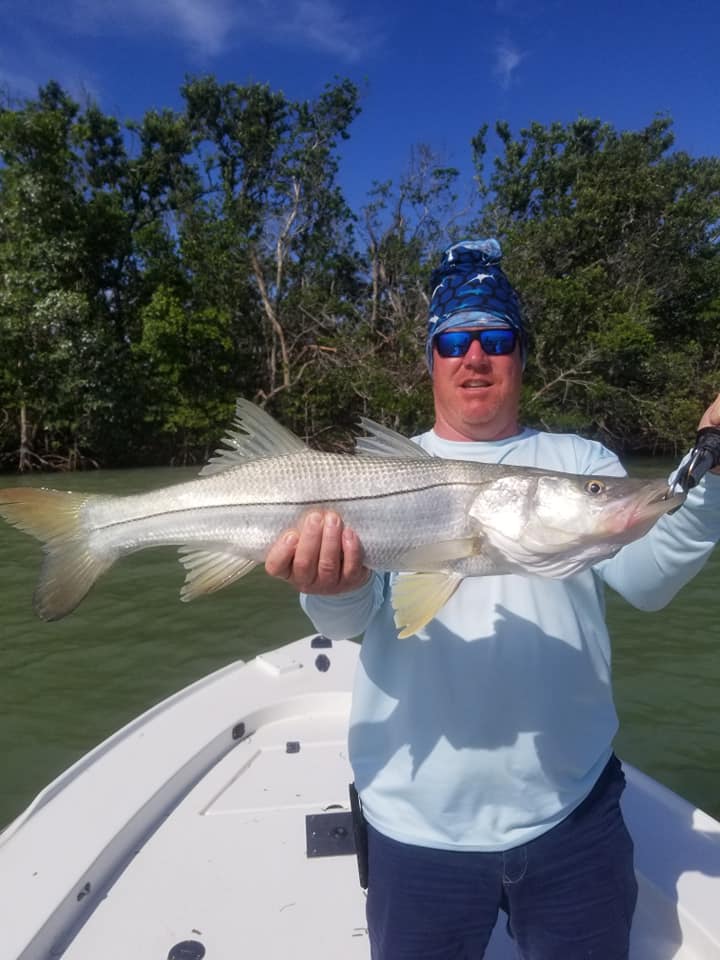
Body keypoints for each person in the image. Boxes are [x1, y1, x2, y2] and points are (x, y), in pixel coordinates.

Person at [265, 238, 720, 959]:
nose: (475, 356)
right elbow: (351, 621)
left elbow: (648, 579)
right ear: (432, 361)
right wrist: (333, 588)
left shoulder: (580, 463)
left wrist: (713, 469)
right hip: (413, 821)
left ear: (520, 356)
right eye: (454, 341)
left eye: (497, 338)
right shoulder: (380, 470)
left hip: (573, 813)